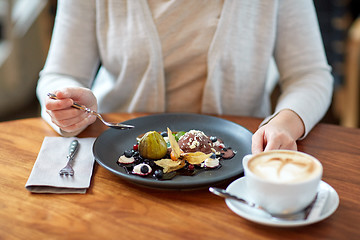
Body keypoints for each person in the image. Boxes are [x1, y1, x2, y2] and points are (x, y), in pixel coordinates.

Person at [37, 0, 333, 154]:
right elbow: (59, 73)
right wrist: (68, 104)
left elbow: (309, 75)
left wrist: (285, 122)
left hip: (237, 161)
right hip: (118, 156)